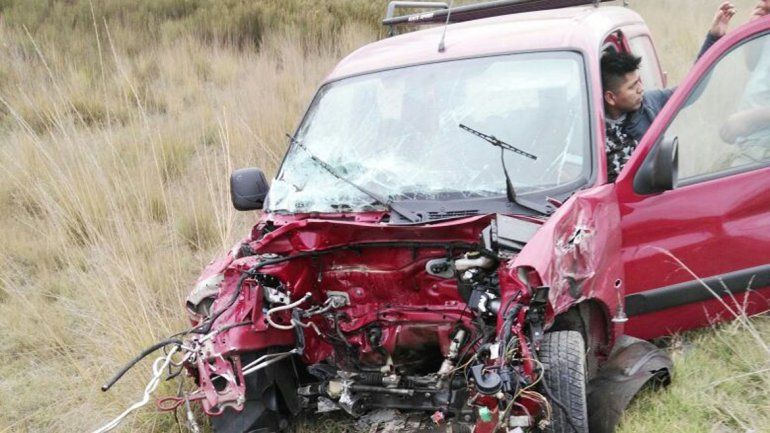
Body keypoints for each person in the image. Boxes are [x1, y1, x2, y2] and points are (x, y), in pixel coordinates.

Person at [601, 2, 737, 182]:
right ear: (611, 97)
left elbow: (691, 88)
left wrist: (714, 37)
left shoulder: (649, 103)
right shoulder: (591, 129)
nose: (641, 88)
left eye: (639, 82)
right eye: (633, 87)